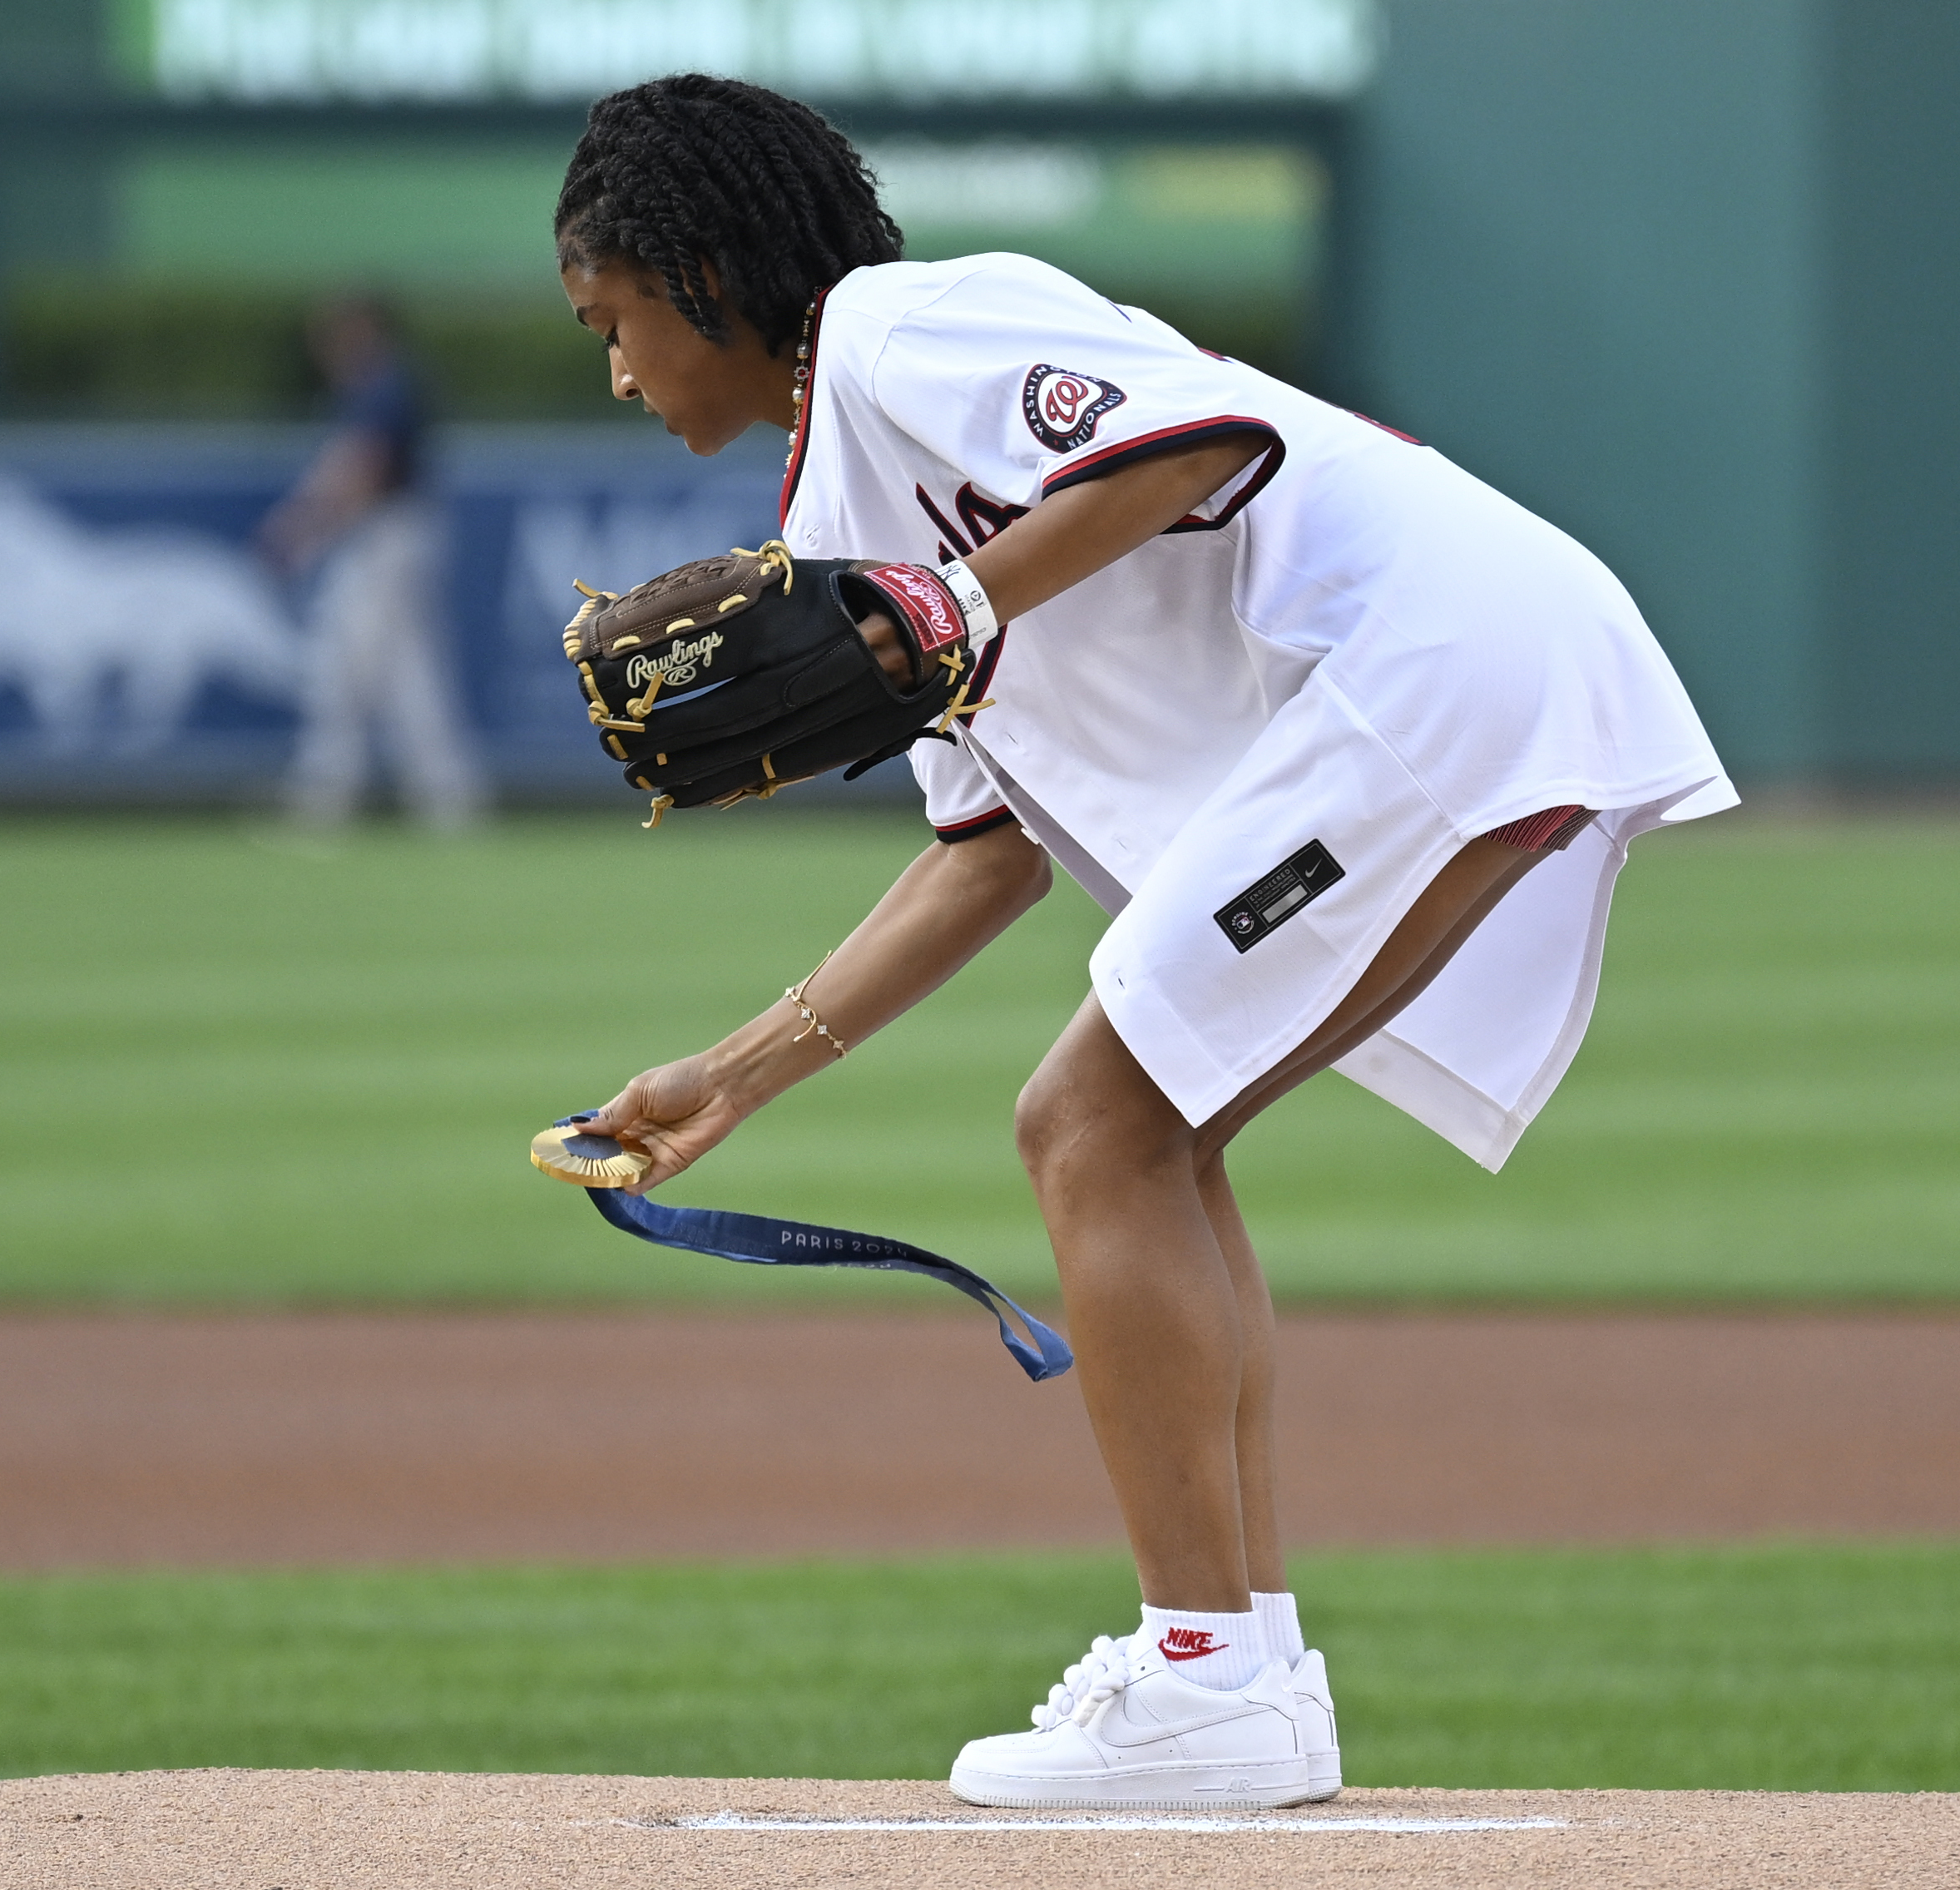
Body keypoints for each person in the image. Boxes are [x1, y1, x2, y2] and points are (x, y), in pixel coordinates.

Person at [556, 76, 1735, 1809]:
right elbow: (982, 861)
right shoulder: (833, 536)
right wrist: (722, 1079)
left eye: (614, 320)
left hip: (1430, 651)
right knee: (1148, 1128)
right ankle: (1244, 1662)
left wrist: (948, 603)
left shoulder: (898, 325)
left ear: (707, 272)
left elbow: (1191, 442)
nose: (615, 369)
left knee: (1090, 1124)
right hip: (1430, 681)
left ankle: (1203, 1673)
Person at [265, 290, 488, 830]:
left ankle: (325, 796)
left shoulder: (385, 384)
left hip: (390, 537)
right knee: (410, 676)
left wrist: (303, 530)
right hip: (392, 536)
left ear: (363, 330)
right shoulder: (378, 385)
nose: (327, 349)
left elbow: (364, 471)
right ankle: (450, 800)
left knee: (345, 668)